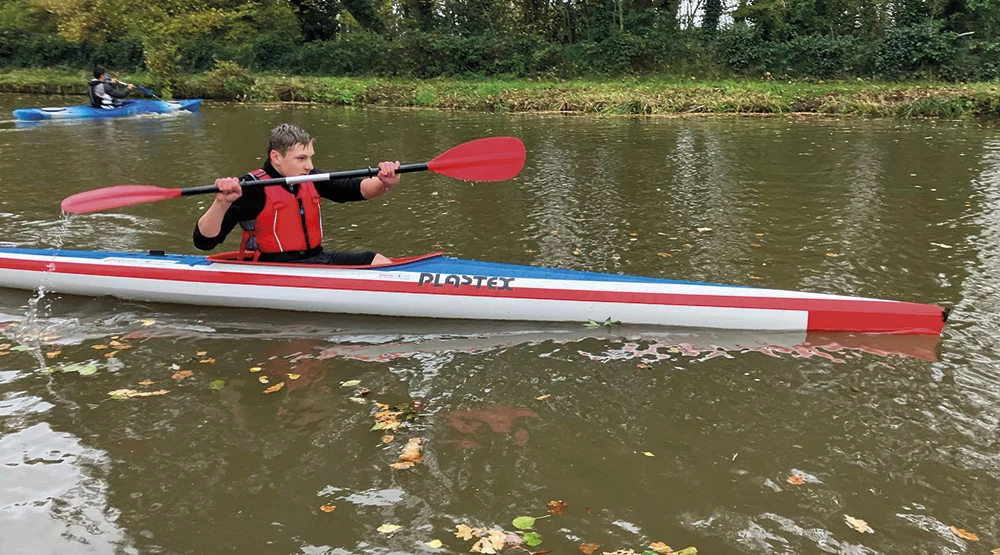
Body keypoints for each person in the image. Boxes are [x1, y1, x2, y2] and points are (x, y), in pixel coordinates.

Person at [193, 123, 401, 265]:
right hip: (273, 268)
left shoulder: (310, 177)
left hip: (315, 259)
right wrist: (221, 203)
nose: (309, 165)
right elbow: (204, 242)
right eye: (301, 158)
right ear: (276, 157)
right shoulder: (251, 188)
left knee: (375, 260)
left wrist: (385, 183)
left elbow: (357, 189)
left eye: (310, 157)